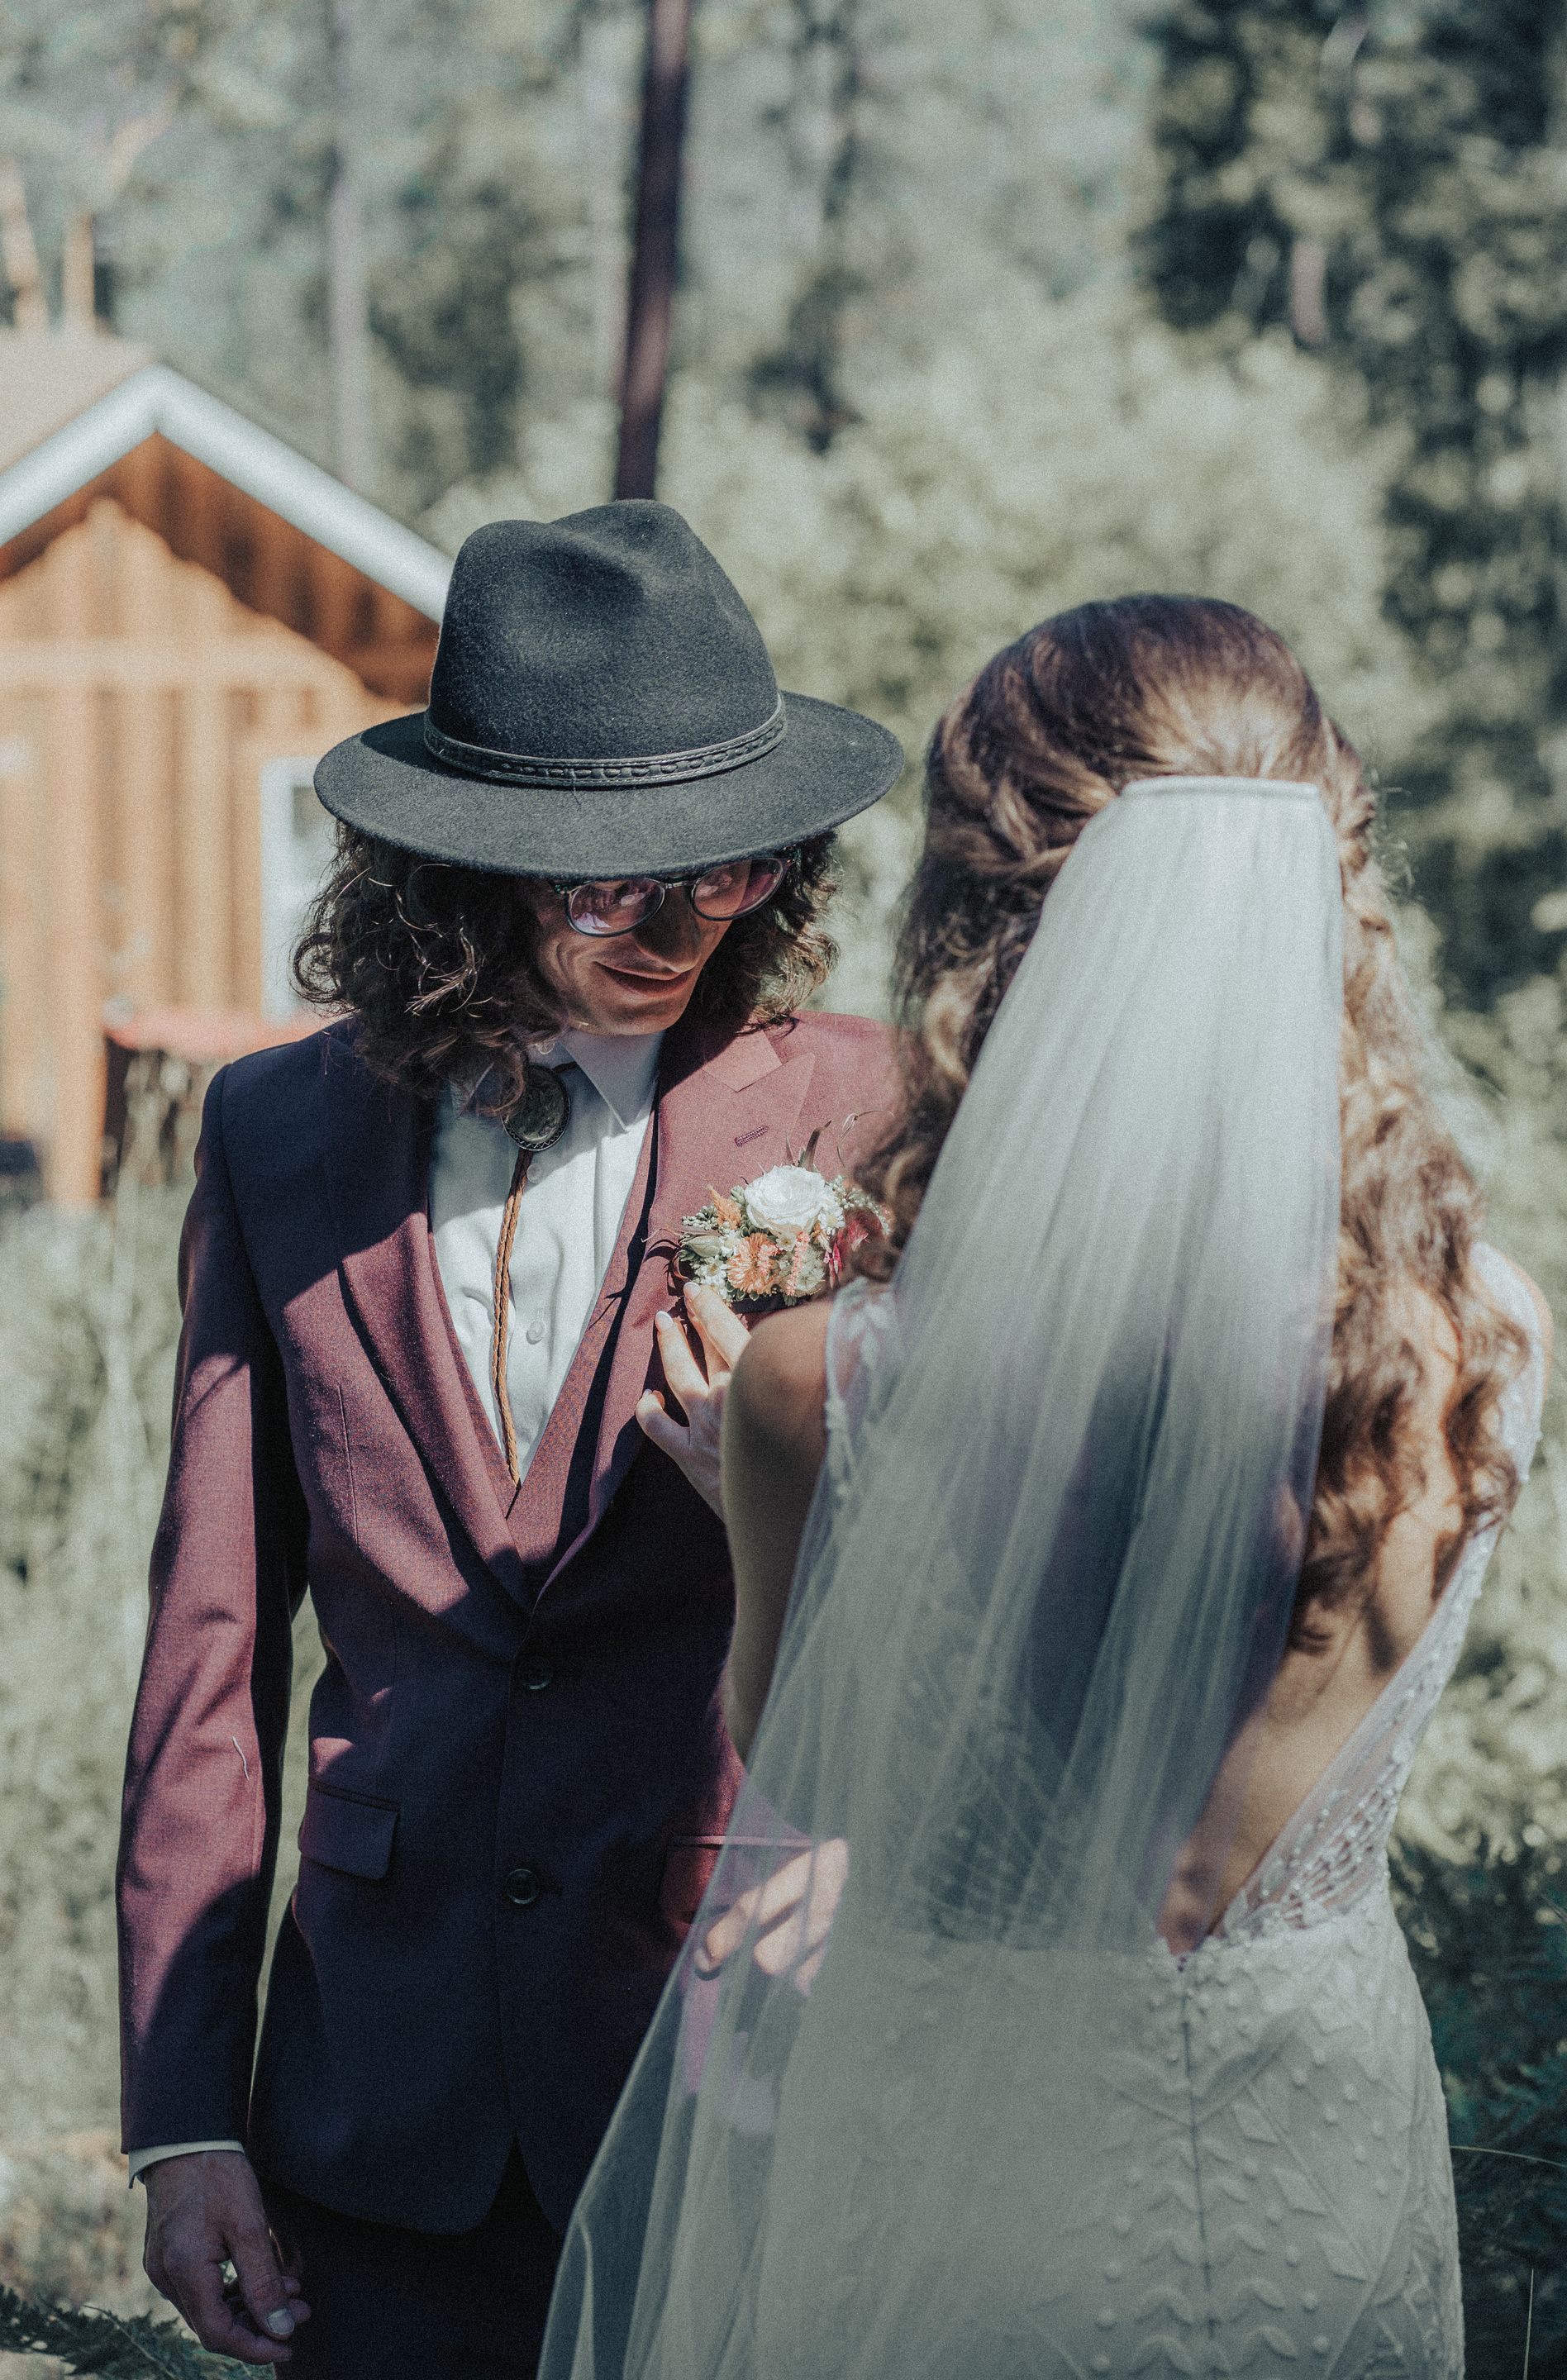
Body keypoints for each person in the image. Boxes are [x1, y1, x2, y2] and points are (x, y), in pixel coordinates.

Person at [538, 595, 1551, 2380]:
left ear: (984, 925)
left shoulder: (820, 1383)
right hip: (1311, 2154)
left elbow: (817, 1767)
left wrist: (772, 1503)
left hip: (949, 2161)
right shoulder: (1490, 1346)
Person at [115, 501, 903, 2378]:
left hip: (740, 2084)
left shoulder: (873, 1118)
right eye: (602, 880)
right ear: (461, 866)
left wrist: (798, 1496)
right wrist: (180, 2113)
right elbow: (208, 1650)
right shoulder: (272, 1137)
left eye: (718, 875)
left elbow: (992, 1598)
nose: (664, 926)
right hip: (377, 2115)